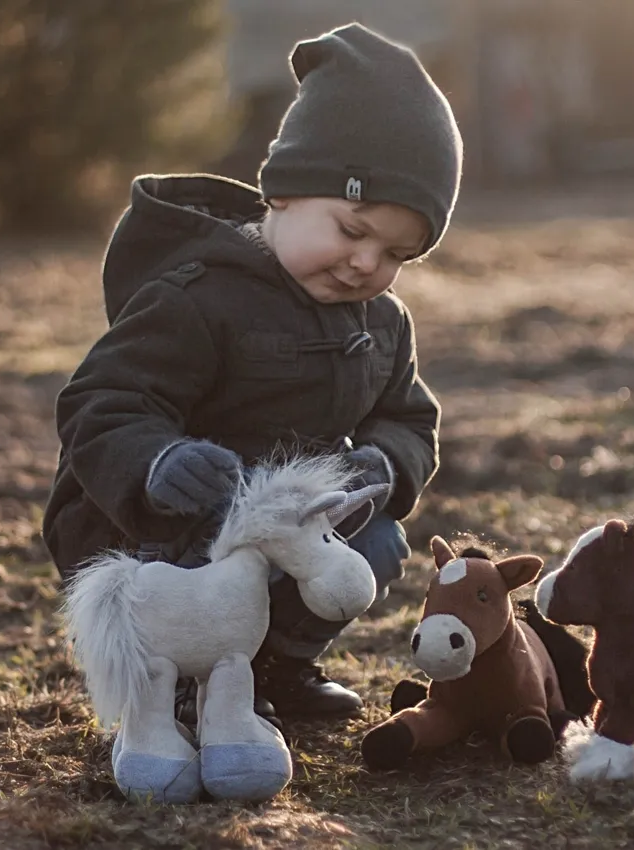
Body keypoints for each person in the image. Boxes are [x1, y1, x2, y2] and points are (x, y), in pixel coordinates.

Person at [43, 22, 462, 723]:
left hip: (284, 525)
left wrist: (385, 466)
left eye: (397, 254)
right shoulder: (197, 296)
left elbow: (408, 417)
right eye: (353, 230)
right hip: (164, 524)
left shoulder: (382, 323)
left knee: (377, 540)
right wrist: (158, 463)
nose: (367, 263)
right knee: (201, 560)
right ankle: (182, 677)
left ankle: (278, 668)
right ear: (285, 192)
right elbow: (103, 400)